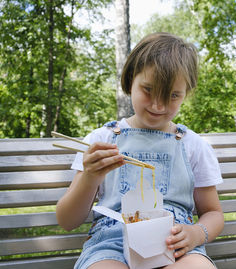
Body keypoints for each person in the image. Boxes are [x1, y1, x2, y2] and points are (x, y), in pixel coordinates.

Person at [56, 32, 224, 269]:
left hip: (175, 245)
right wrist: (90, 177)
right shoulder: (101, 140)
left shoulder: (193, 145)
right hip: (111, 244)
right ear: (130, 80)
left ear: (186, 92)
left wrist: (197, 233)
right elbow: (67, 220)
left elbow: (214, 213)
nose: (158, 105)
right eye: (148, 89)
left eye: (173, 95)